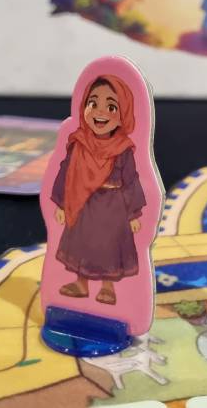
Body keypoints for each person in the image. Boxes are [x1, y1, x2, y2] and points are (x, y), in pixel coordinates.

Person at [50, 75, 146, 304]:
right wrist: (61, 203)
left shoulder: (123, 149)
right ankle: (81, 283)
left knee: (108, 247)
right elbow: (66, 172)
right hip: (83, 203)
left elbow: (131, 180)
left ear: (124, 114)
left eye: (111, 107)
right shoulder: (78, 143)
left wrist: (133, 213)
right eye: (93, 103)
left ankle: (108, 286)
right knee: (82, 245)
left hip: (113, 208)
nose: (100, 112)